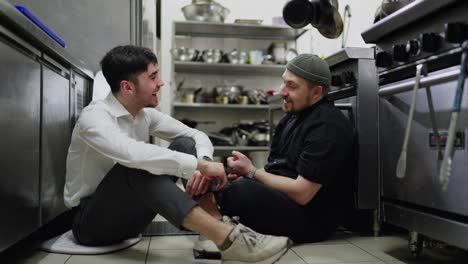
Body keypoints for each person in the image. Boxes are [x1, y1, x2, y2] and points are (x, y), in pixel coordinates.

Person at [64, 45, 291, 264]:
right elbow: (133, 154)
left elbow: (195, 135)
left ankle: (211, 225)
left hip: (130, 221)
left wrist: (204, 162)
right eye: (152, 77)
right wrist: (199, 167)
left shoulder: (144, 115)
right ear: (128, 87)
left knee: (184, 143)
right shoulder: (93, 118)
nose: (160, 83)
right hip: (91, 225)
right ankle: (230, 240)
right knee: (136, 168)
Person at [191, 54, 356, 256]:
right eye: (283, 82)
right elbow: (275, 170)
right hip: (283, 200)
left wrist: (251, 173)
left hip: (310, 218)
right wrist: (241, 173)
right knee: (201, 166)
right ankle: (218, 223)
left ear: (316, 92)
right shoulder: (292, 118)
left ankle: (219, 228)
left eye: (292, 86)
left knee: (240, 190)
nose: (281, 91)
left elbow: (303, 194)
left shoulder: (328, 125)